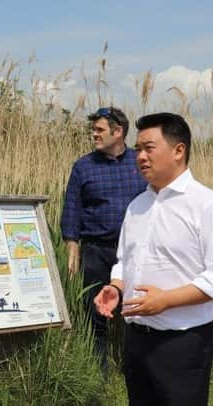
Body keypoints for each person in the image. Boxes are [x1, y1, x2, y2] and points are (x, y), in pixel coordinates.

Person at [94, 112, 213, 406]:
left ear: (178, 150)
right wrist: (116, 287)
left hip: (182, 343)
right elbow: (124, 260)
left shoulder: (209, 206)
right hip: (136, 339)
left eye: (149, 148)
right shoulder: (137, 206)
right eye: (137, 149)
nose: (140, 157)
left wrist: (166, 300)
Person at [60, 107, 146, 371]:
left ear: (118, 132)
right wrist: (72, 253)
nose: (93, 134)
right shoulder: (83, 166)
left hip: (135, 253)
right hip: (97, 252)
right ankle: (101, 372)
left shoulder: (140, 163)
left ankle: (136, 366)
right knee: (96, 312)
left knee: (136, 310)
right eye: (93, 130)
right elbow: (72, 211)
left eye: (99, 130)